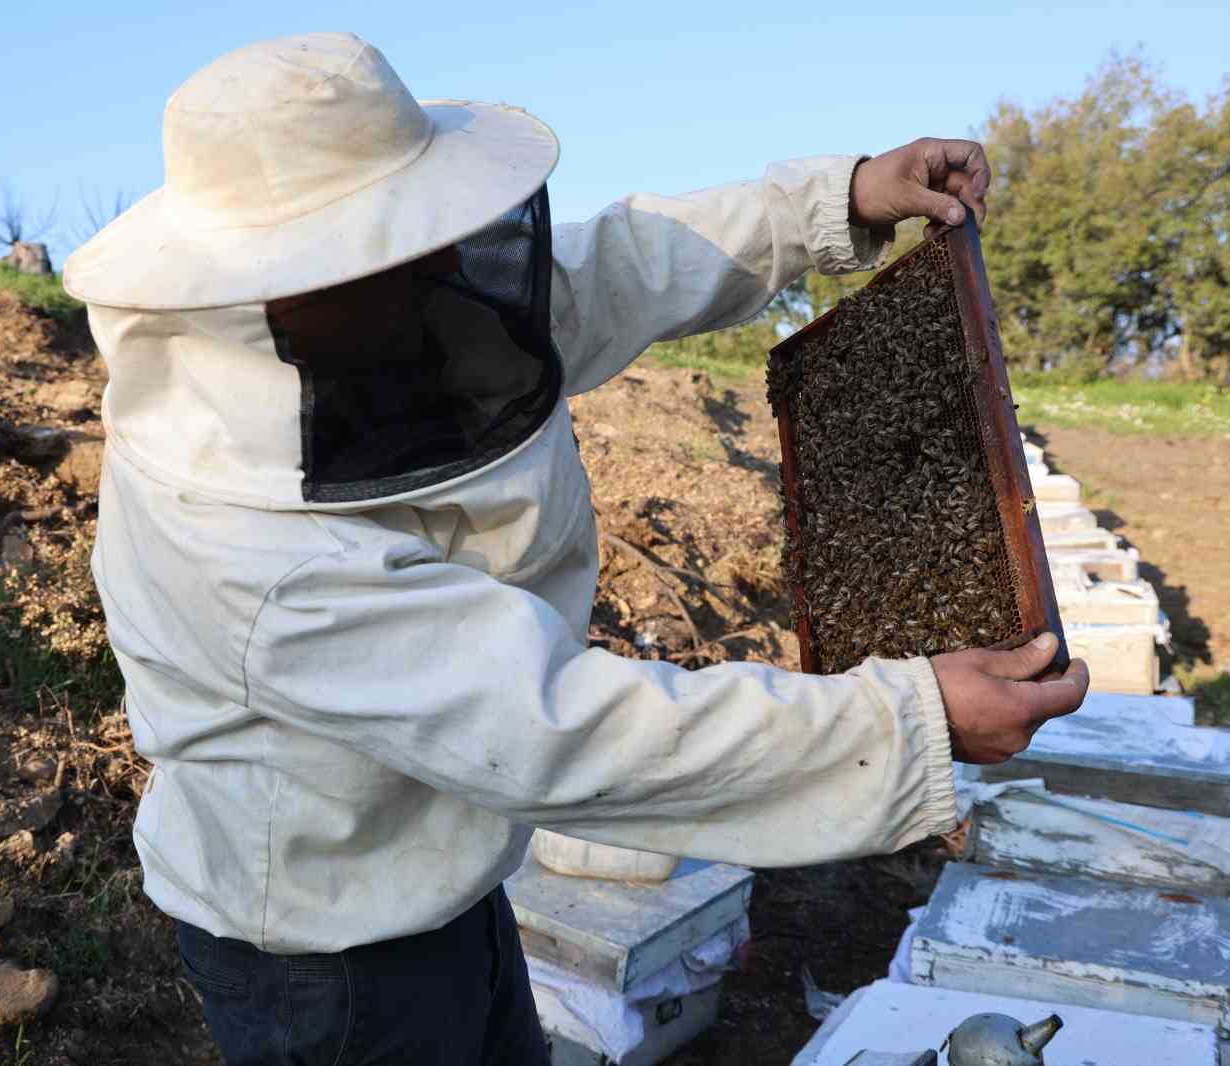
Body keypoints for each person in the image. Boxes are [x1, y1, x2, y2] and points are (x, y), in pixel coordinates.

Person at [63, 31, 1090, 1066]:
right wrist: (906, 722)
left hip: (443, 862)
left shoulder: (378, 312)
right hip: (324, 947)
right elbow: (557, 730)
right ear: (273, 279)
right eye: (386, 247)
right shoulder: (243, 553)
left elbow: (610, 274)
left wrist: (832, 200)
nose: (431, 266)